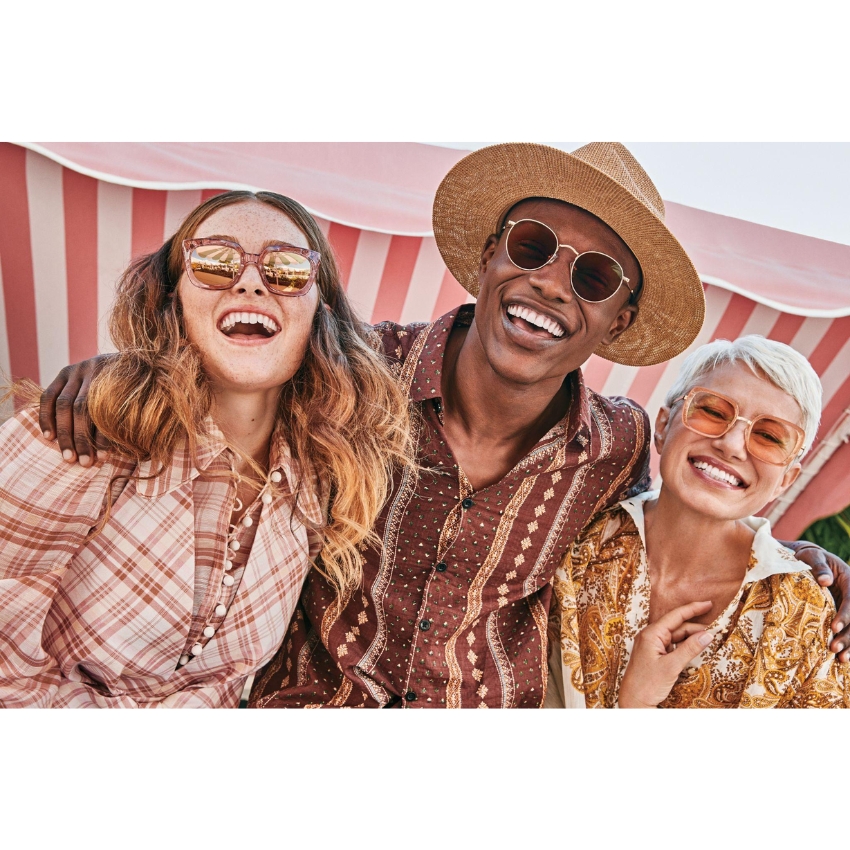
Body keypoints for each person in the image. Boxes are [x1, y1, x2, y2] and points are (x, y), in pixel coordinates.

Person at [39, 144, 850, 708]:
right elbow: (235, 358)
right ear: (492, 254)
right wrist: (124, 369)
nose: (550, 283)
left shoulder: (622, 443)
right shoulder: (352, 371)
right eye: (533, 245)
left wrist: (801, 557)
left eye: (594, 275)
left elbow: (696, 500)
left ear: (619, 317)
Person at [0, 190, 412, 707]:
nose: (250, 280)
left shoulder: (324, 479)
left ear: (319, 310)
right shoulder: (80, 434)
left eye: (286, 269)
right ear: (174, 297)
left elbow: (221, 684)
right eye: (215, 262)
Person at [547, 336, 849, 708]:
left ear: (786, 480)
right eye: (713, 412)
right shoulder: (573, 536)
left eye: (769, 437)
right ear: (663, 425)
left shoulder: (805, 614)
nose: (732, 445)